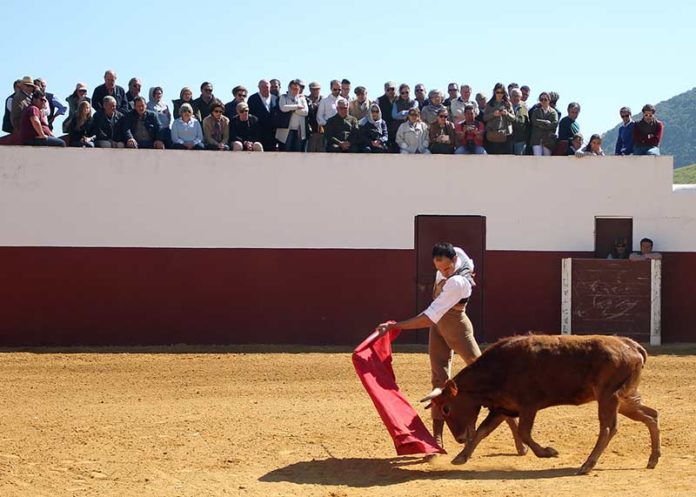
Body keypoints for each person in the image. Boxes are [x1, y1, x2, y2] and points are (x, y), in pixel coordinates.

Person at [376, 242, 522, 450]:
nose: (443, 272)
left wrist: (395, 327)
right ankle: (437, 438)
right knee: (438, 379)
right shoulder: (458, 255)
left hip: (456, 329)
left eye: (446, 268)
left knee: (488, 379)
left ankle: (517, 432)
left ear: (454, 261)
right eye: (439, 268)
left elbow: (428, 317)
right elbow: (465, 260)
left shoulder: (458, 283)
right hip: (438, 327)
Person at [276, 80, 308, 152]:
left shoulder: (302, 99)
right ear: (289, 88)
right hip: (286, 129)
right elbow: (283, 108)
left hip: (299, 130)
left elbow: (305, 112)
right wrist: (297, 106)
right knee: (286, 151)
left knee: (298, 151)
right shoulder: (283, 97)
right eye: (293, 88)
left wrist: (292, 109)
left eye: (297, 89)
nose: (295, 91)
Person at [483, 83, 514, 155]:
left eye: (502, 92)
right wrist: (493, 114)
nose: (499, 94)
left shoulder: (508, 104)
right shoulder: (490, 104)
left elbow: (513, 118)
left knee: (507, 157)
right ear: (494, 92)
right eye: (498, 92)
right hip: (493, 134)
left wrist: (507, 114)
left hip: (506, 135)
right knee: (493, 157)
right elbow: (484, 118)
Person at [247, 79, 278, 152]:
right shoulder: (253, 99)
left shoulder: (275, 98)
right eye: (262, 87)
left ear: (270, 87)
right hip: (258, 132)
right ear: (259, 87)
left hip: (272, 133)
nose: (265, 89)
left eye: (267, 87)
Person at [391, 84, 418, 150]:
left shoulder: (414, 102)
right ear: (400, 93)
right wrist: (403, 115)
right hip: (399, 127)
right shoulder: (396, 103)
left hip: (412, 126)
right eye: (402, 93)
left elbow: (413, 111)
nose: (405, 94)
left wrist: (403, 113)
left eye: (407, 92)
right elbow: (394, 115)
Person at [377, 81, 397, 150]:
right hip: (384, 129)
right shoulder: (379, 100)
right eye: (388, 89)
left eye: (392, 89)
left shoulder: (400, 99)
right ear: (385, 90)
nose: (391, 91)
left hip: (397, 130)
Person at [509, 88, 529, 155]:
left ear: (520, 97)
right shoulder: (506, 106)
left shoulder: (525, 107)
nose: (515, 98)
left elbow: (527, 122)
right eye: (513, 95)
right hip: (508, 139)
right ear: (510, 96)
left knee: (520, 160)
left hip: (520, 139)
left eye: (517, 96)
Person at [305, 81, 324, 153]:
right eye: (313, 89)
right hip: (310, 131)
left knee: (321, 151)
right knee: (310, 151)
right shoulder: (306, 99)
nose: (316, 91)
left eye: (317, 89)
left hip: (322, 130)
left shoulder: (324, 100)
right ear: (310, 90)